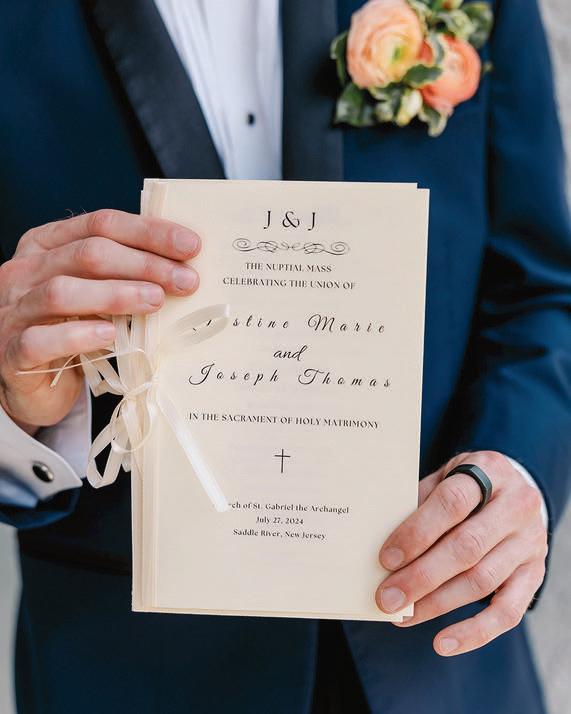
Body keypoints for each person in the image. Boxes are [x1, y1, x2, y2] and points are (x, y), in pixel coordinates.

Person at [0, 1, 570, 712]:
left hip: (434, 658)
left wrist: (517, 466)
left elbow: (538, 289)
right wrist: (15, 405)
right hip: (129, 668)